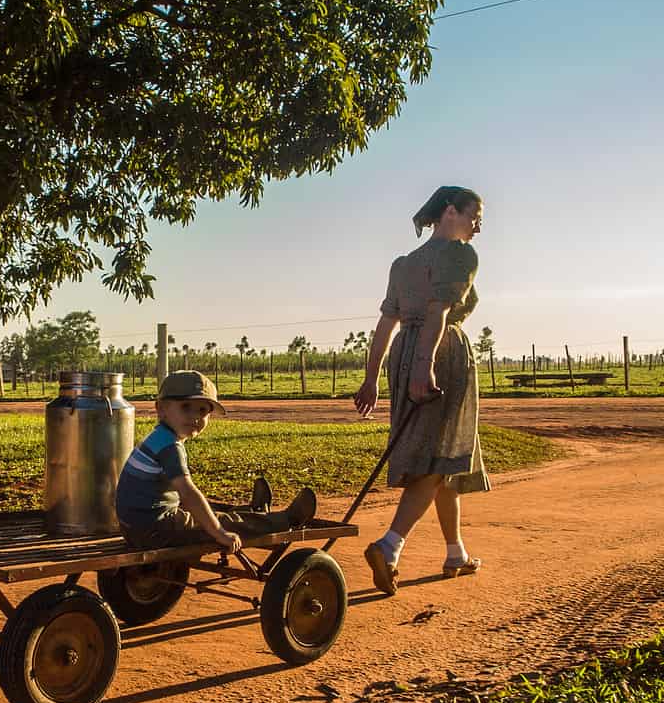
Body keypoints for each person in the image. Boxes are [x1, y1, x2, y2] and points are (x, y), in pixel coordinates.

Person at [353, 186, 489, 595]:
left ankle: (455, 553)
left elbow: (386, 323)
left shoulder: (404, 263)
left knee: (443, 456)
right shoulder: (459, 255)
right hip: (439, 351)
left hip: (404, 351)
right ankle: (390, 545)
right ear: (450, 211)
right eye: (474, 215)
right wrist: (424, 366)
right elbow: (439, 311)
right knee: (435, 457)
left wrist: (371, 376)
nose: (478, 226)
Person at [115, 370, 317, 551]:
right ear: (161, 409)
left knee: (206, 509)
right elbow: (188, 493)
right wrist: (220, 533)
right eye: (186, 407)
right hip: (155, 529)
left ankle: (253, 511)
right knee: (225, 523)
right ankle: (287, 519)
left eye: (203, 411)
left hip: (135, 526)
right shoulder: (169, 447)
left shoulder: (158, 437)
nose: (195, 417)